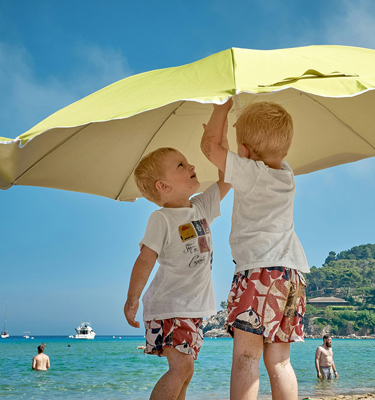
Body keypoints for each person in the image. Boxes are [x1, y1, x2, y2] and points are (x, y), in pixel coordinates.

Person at [201, 99, 308, 400]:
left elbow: (211, 149)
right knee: (280, 361)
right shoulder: (286, 175)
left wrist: (221, 109)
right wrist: (235, 145)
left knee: (246, 358)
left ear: (245, 153)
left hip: (259, 273)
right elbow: (227, 158)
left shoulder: (251, 173)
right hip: (292, 276)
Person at [124, 144, 231, 400]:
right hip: (171, 305)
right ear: (163, 186)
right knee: (181, 367)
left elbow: (228, 177)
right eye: (181, 165)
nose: (191, 166)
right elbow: (145, 260)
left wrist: (221, 139)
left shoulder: (201, 207)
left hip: (193, 309)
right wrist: (132, 299)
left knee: (187, 370)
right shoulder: (162, 219)